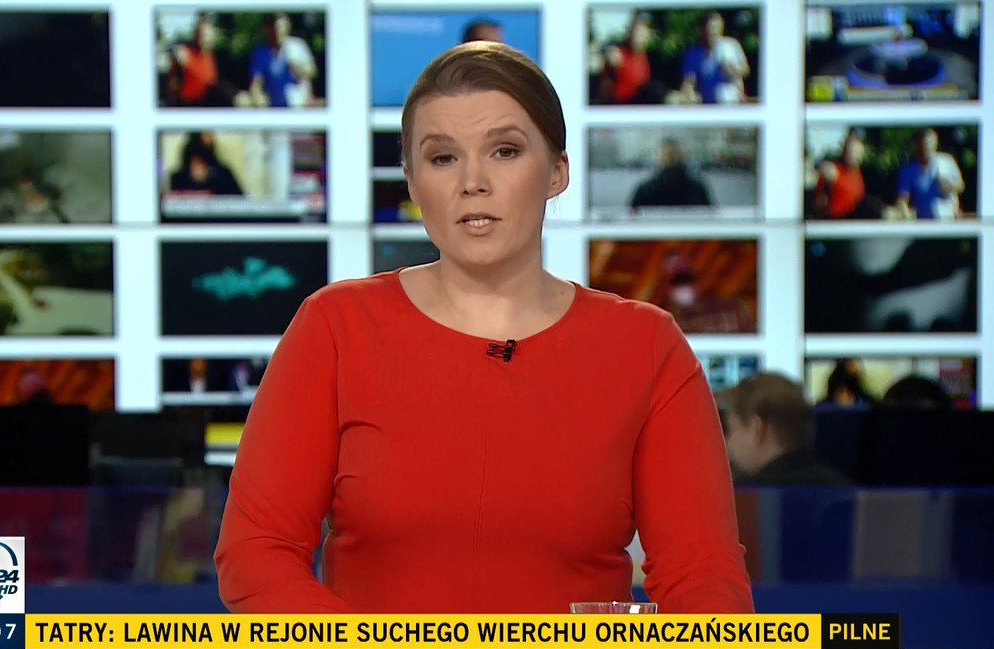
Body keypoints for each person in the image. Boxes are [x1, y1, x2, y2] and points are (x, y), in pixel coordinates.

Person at [214, 42, 753, 614]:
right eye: (443, 158)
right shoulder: (335, 328)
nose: (473, 181)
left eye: (504, 151)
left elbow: (704, 580)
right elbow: (257, 553)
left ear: (557, 172)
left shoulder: (645, 347)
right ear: (412, 181)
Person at [718, 373, 850, 486]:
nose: (727, 444)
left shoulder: (745, 498)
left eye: (731, 430)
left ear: (757, 430)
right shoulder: (844, 488)